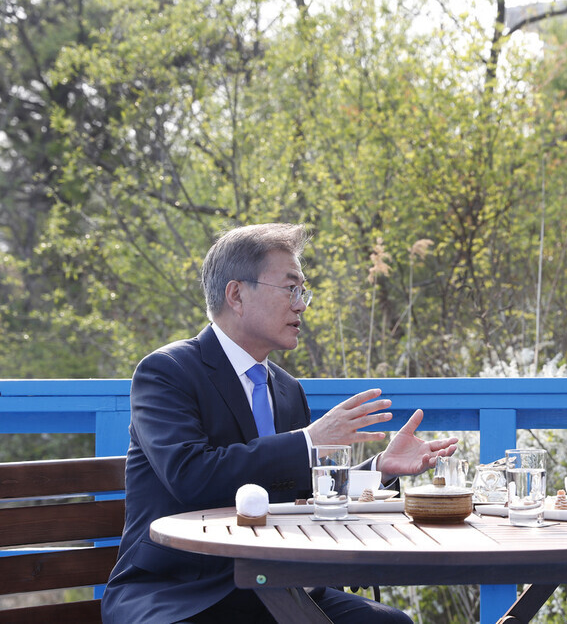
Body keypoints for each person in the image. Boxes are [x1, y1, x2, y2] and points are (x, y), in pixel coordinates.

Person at [102, 223, 458, 624]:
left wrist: (378, 470)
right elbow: (190, 476)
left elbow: (309, 493)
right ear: (236, 294)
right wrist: (307, 441)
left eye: (302, 291)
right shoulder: (167, 372)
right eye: (290, 289)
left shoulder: (288, 390)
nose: (302, 304)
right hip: (181, 591)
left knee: (390, 623)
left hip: (276, 586)